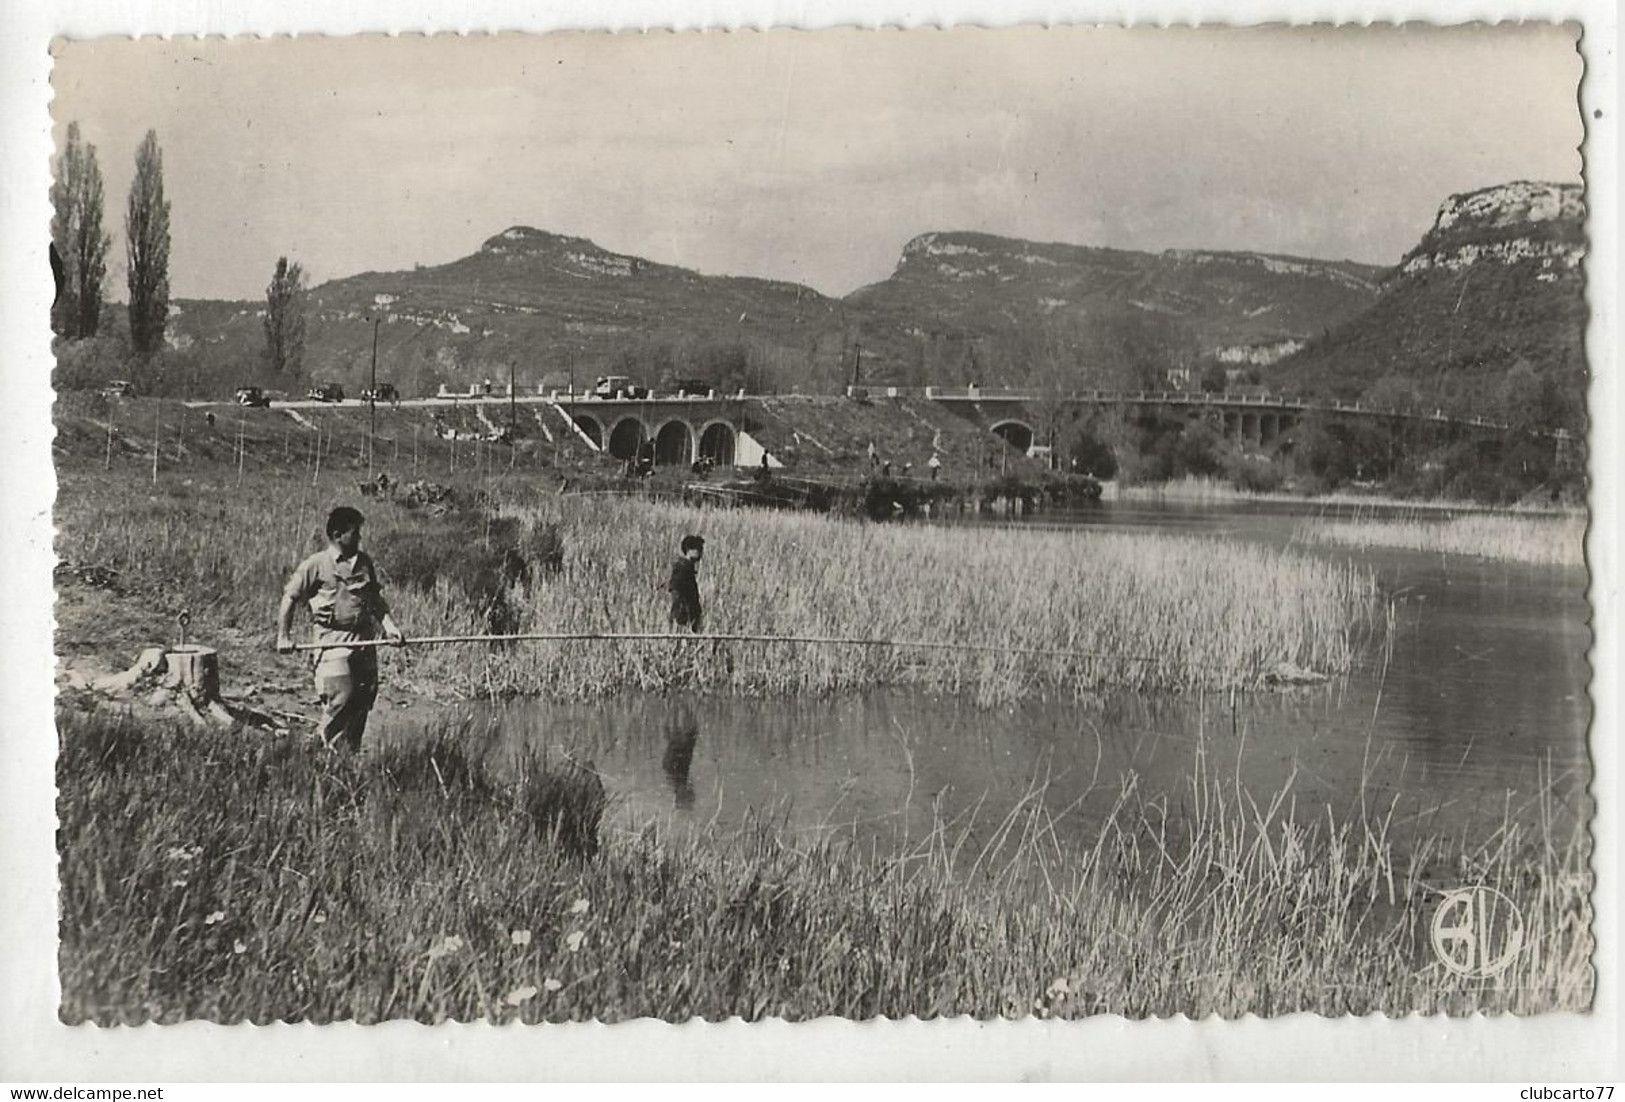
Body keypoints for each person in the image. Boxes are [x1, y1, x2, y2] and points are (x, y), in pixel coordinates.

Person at [276, 505, 405, 751]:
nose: (359, 538)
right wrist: (284, 636)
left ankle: (346, 759)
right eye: (354, 533)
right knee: (341, 697)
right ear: (337, 535)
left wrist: (390, 627)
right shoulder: (316, 564)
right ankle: (311, 748)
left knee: (363, 701)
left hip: (364, 643)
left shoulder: (364, 563)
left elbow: (376, 601)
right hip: (332, 643)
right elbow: (289, 598)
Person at [667, 533, 705, 632]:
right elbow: (675, 590)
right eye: (697, 549)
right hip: (683, 618)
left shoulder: (688, 568)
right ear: (688, 550)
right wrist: (683, 614)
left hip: (689, 618)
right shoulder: (682, 567)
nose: (700, 552)